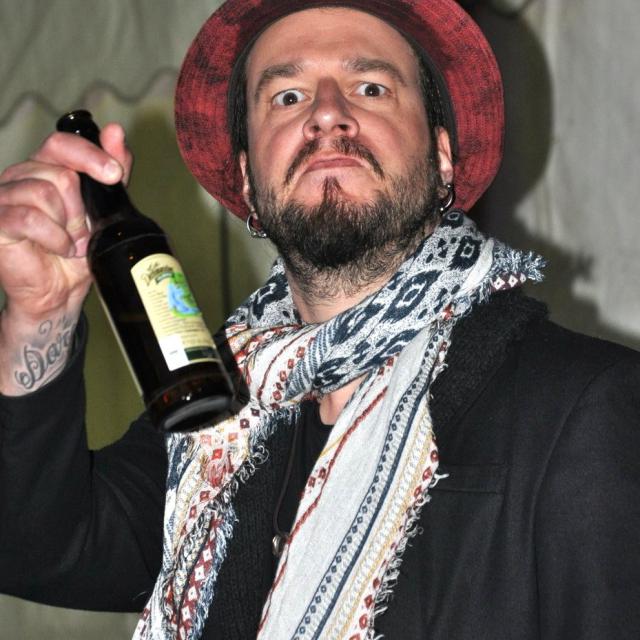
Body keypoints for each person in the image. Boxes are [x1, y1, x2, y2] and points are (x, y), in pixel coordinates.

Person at [0, 0, 638, 638]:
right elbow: (35, 546)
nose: (327, 112)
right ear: (247, 180)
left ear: (442, 156)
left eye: (371, 87)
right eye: (288, 96)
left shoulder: (584, 404)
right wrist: (39, 315)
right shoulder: (218, 421)